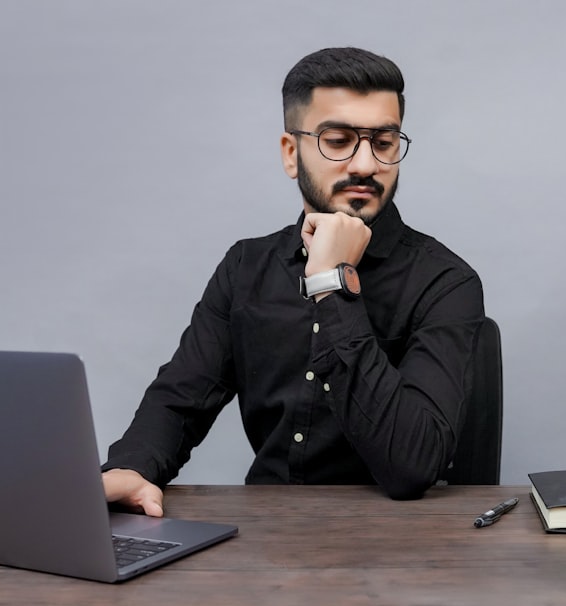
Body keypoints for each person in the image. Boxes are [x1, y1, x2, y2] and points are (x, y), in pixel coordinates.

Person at [102, 47, 485, 516]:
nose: (365, 165)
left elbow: (412, 466)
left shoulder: (446, 282)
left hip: (399, 548)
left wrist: (333, 282)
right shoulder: (247, 267)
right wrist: (132, 468)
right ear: (291, 152)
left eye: (383, 142)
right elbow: (181, 398)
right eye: (339, 140)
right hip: (267, 541)